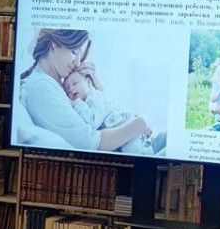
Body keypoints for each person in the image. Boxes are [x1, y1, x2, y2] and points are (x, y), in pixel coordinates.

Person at [19, 28, 150, 152]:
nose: (77, 63)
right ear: (54, 44)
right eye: (74, 52)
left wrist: (93, 83)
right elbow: (91, 142)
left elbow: (102, 110)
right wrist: (138, 125)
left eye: (80, 58)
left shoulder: (60, 82)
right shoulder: (42, 87)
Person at [63, 69, 166, 154]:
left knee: (138, 154)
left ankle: (155, 149)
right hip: (131, 132)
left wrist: (75, 103)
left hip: (130, 134)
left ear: (89, 82)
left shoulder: (94, 97)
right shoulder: (89, 101)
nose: (71, 88)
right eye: (67, 89)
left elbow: (93, 121)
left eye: (75, 83)